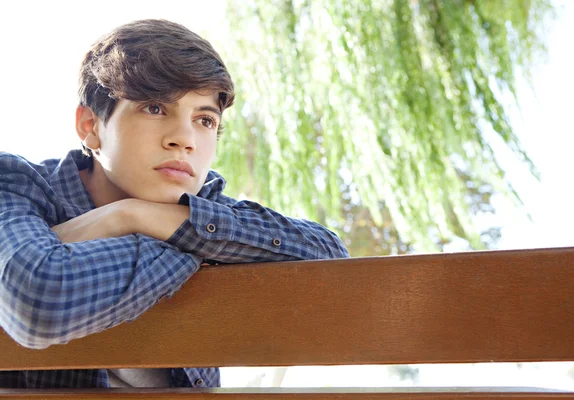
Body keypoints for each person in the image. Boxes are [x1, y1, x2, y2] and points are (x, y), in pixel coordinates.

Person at [0, 19, 349, 389]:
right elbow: (36, 301)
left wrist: (131, 216)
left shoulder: (203, 208)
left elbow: (332, 260)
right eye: (154, 108)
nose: (184, 139)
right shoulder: (18, 188)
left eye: (204, 120)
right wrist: (197, 244)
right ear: (90, 125)